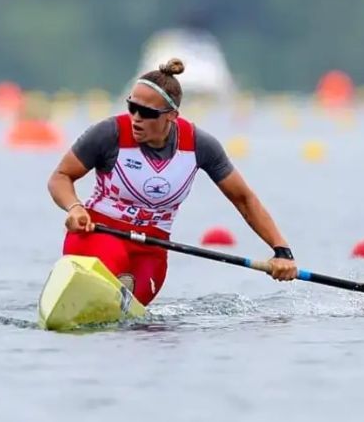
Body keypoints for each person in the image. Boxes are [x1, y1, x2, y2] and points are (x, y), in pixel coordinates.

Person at [47, 58, 297, 306]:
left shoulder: (200, 145)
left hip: (152, 249)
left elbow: (244, 199)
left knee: (139, 327)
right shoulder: (108, 134)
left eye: (147, 112)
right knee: (104, 299)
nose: (136, 118)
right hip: (99, 233)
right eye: (132, 107)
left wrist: (282, 251)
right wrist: (74, 207)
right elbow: (60, 177)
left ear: (171, 116)